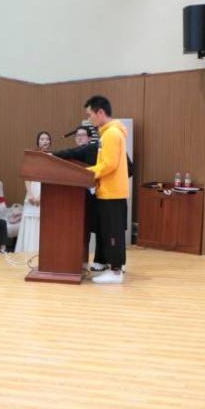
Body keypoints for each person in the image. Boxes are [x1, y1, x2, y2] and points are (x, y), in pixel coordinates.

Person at [83, 96, 129, 284]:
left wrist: (87, 172)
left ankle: (115, 272)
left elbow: (108, 164)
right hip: (109, 191)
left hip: (112, 192)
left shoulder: (111, 134)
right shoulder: (108, 133)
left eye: (90, 115)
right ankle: (113, 268)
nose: (89, 119)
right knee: (110, 231)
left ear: (100, 112)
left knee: (112, 233)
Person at [53, 125, 106, 271]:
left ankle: (101, 260)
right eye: (77, 135)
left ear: (89, 138)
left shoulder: (96, 150)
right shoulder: (72, 154)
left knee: (99, 229)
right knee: (80, 229)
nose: (79, 138)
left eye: (82, 135)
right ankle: (78, 260)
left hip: (97, 196)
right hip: (75, 198)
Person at [15, 130, 52, 254]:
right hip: (32, 190)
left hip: (46, 191)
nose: (45, 141)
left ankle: (42, 252)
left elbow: (51, 178)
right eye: (42, 139)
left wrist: (41, 196)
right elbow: (27, 177)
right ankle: (28, 251)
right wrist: (30, 194)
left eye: (47, 139)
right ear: (38, 142)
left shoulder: (53, 157)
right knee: (30, 219)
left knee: (43, 221)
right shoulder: (32, 156)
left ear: (50, 142)